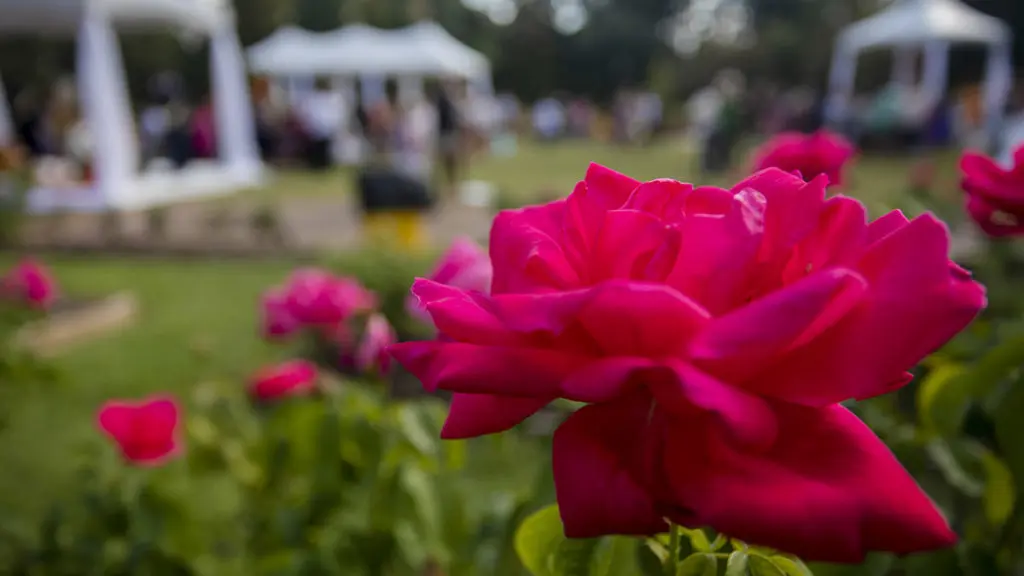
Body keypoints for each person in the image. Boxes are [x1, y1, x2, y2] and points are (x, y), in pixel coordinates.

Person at [296, 78, 344, 170]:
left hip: (325, 127)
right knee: (318, 148)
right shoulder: (314, 97)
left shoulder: (332, 97)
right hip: (317, 127)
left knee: (326, 148)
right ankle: (317, 164)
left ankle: (324, 164)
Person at [431, 81, 461, 194]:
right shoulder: (442, 101)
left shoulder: (450, 102)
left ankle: (451, 184)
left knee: (451, 162)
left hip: (449, 134)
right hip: (444, 134)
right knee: (444, 161)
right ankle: (444, 184)